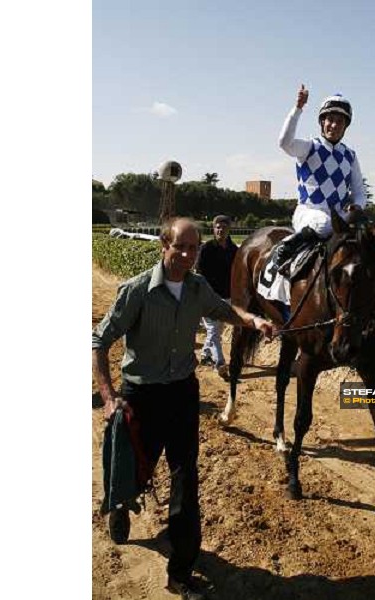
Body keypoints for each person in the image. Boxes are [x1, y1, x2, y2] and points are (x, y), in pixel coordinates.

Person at [92, 217, 273, 600]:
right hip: (141, 395)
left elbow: (225, 311)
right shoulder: (138, 291)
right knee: (136, 469)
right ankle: (122, 503)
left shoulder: (197, 287)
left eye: (194, 248)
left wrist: (254, 319)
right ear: (164, 246)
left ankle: (180, 571)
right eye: (181, 247)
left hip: (182, 396)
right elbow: (99, 341)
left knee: (185, 479)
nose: (189, 255)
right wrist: (108, 398)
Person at [272, 84, 367, 271]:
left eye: (340, 121)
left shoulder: (350, 155)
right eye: (330, 119)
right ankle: (288, 245)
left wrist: (358, 206)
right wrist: (298, 109)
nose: (334, 125)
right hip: (309, 213)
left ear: (345, 126)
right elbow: (284, 143)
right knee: (325, 224)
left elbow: (359, 191)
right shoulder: (309, 147)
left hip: (338, 216)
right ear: (322, 122)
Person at [195, 215, 238, 378]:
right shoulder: (206, 249)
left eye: (223, 227)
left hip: (227, 296)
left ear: (228, 229)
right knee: (213, 329)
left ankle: (206, 355)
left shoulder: (234, 250)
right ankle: (219, 363)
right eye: (217, 227)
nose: (220, 230)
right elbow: (199, 272)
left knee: (218, 330)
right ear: (213, 229)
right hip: (209, 296)